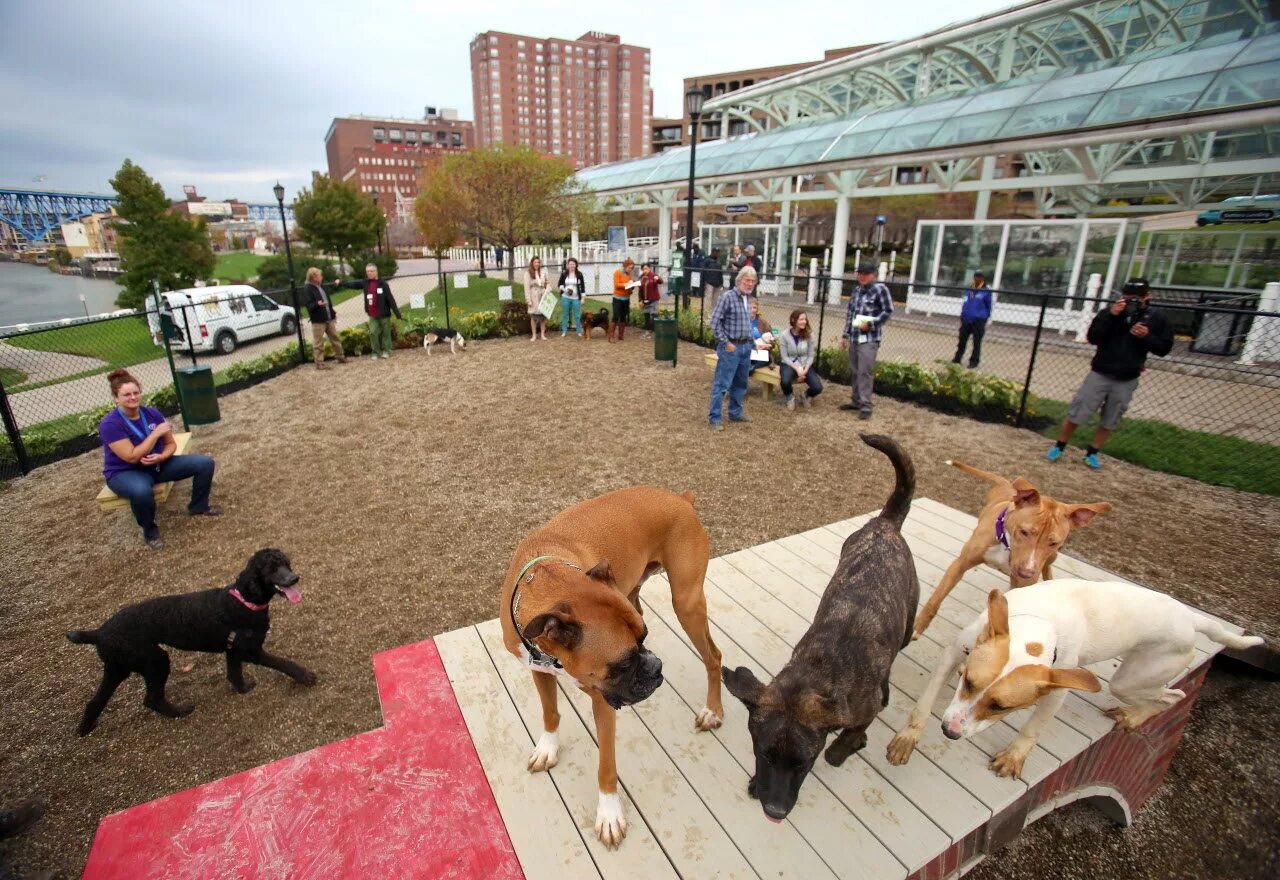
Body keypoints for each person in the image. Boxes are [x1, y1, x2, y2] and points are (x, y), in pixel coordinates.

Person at [1047, 278, 1173, 469]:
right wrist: (1112, 317)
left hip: (1127, 376)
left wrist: (1146, 336)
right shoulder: (1110, 313)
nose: (1132, 301)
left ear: (1147, 297)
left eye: (1137, 298)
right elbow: (1093, 337)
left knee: (1111, 416)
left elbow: (1164, 348)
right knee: (1079, 410)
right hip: (1101, 371)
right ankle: (1060, 445)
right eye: (1128, 297)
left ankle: (1092, 452)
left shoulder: (1156, 318)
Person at [99, 369, 221, 550]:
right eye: (126, 395)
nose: (133, 397)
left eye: (136, 393)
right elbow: (132, 457)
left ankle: (198, 506)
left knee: (204, 463)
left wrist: (162, 456)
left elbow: (170, 444)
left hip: (157, 464)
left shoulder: (152, 414)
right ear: (116, 398)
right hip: (125, 472)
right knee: (141, 492)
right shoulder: (110, 424)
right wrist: (155, 434)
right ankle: (150, 531)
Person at [838, 261, 894, 420]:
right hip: (855, 337)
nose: (862, 276)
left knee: (865, 372)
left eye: (866, 274)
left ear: (873, 275)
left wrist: (871, 324)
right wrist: (845, 335)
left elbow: (888, 311)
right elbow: (850, 315)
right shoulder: (856, 291)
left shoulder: (880, 289)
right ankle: (856, 401)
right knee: (855, 371)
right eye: (860, 273)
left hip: (869, 338)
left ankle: (866, 405)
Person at [707, 265, 759, 431]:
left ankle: (735, 413)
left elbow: (746, 323)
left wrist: (752, 342)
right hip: (731, 348)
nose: (750, 283)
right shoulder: (727, 297)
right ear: (739, 280)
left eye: (753, 281)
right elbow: (714, 323)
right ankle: (715, 418)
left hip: (745, 347)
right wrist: (726, 343)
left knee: (740, 384)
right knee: (722, 385)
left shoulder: (748, 299)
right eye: (747, 280)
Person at [340, 263, 400, 359]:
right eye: (368, 271)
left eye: (371, 271)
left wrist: (397, 313)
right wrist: (342, 282)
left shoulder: (383, 284)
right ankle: (375, 352)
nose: (370, 273)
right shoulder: (365, 283)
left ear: (376, 272)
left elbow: (390, 299)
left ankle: (386, 351)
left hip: (384, 314)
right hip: (372, 314)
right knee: (373, 332)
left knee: (385, 333)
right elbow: (353, 284)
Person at [301, 267, 347, 370]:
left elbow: (328, 302)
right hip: (318, 321)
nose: (321, 277)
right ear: (314, 277)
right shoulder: (308, 289)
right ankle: (319, 363)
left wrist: (333, 314)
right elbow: (309, 306)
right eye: (319, 275)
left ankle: (340, 357)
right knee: (318, 342)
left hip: (328, 318)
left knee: (335, 338)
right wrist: (318, 304)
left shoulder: (320, 287)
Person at [779, 309, 822, 410]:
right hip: (789, 363)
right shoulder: (784, 335)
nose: (804, 322)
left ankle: (805, 396)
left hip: (805, 364)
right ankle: (789, 396)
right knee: (785, 381)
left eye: (805, 319)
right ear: (794, 320)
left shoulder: (810, 335)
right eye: (801, 319)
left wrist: (805, 369)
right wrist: (797, 369)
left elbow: (811, 356)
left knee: (818, 387)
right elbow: (784, 356)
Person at [952, 270, 992, 369]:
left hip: (978, 320)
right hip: (966, 318)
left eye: (979, 276)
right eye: (975, 276)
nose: (976, 278)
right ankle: (957, 358)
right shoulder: (970, 289)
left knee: (976, 341)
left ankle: (974, 361)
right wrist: (963, 314)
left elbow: (989, 306)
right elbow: (966, 302)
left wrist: (984, 317)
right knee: (962, 340)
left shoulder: (986, 291)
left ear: (982, 278)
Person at [557, 257, 586, 337]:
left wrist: (583, 297)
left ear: (576, 265)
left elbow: (583, 286)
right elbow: (559, 284)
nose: (572, 266)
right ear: (568, 265)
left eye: (573, 264)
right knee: (565, 314)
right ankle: (564, 331)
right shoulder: (564, 273)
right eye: (570, 264)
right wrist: (564, 289)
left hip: (576, 298)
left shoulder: (579, 274)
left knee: (577, 315)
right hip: (565, 297)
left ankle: (579, 331)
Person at [610, 258, 636, 342]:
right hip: (617, 298)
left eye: (632, 268)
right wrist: (626, 284)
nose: (630, 269)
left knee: (623, 317)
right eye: (629, 267)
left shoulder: (629, 274)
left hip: (626, 298)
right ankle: (611, 336)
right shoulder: (617, 272)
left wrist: (632, 286)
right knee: (616, 316)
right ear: (625, 266)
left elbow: (629, 286)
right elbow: (617, 285)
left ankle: (621, 335)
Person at [524, 256, 550, 341]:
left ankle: (542, 334)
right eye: (535, 262)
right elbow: (526, 287)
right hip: (533, 296)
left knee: (543, 317)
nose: (537, 264)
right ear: (532, 263)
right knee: (534, 317)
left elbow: (547, 283)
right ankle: (534, 335)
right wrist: (528, 300)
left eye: (538, 262)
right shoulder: (528, 273)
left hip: (542, 295)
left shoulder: (543, 272)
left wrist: (548, 289)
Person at [747, 297, 774, 375]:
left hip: (761, 352)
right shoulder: (742, 322)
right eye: (749, 308)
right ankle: (750, 367)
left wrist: (765, 346)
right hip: (747, 351)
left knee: (761, 359)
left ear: (757, 309)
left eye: (754, 307)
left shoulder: (763, 323)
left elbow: (772, 342)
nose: (752, 310)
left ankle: (751, 368)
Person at [638, 262, 664, 336]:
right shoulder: (641, 277)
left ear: (649, 268)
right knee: (646, 315)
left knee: (654, 315)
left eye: (646, 268)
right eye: (643, 269)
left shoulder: (653, 275)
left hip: (653, 299)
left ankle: (657, 331)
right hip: (645, 300)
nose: (645, 270)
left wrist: (658, 278)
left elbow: (660, 281)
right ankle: (648, 331)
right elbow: (640, 290)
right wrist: (640, 300)